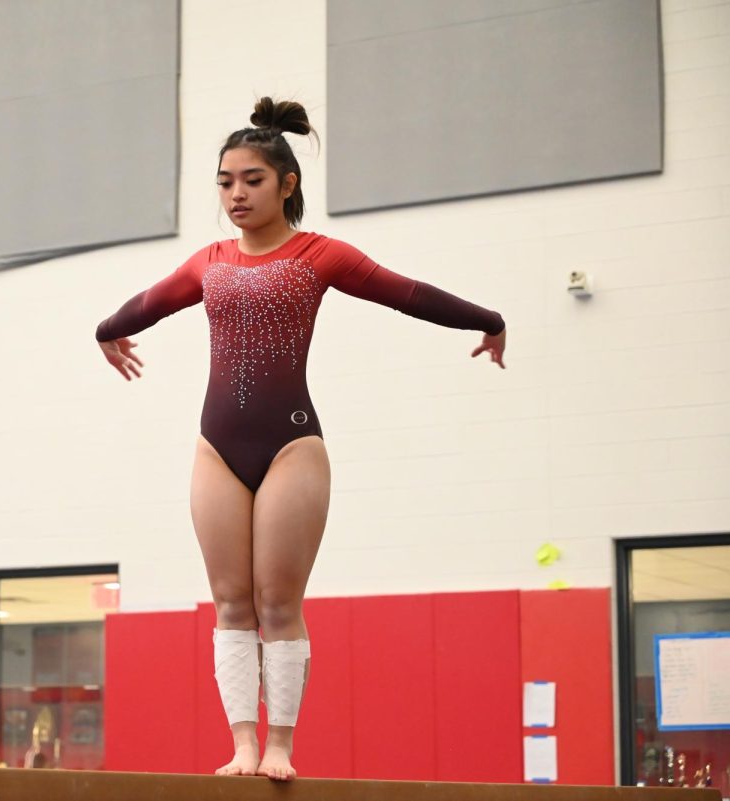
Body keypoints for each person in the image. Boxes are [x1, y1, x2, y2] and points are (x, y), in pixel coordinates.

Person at [95, 98, 506, 781]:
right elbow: (146, 303)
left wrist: (488, 320)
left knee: (278, 602)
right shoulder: (209, 263)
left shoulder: (320, 256)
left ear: (286, 184)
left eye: (251, 180)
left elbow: (407, 293)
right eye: (225, 181)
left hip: (292, 447)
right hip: (215, 449)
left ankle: (280, 744)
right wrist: (105, 331)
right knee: (230, 602)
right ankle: (244, 744)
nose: (235, 194)